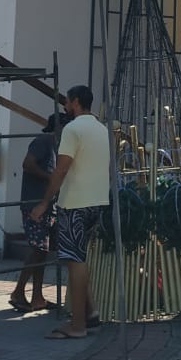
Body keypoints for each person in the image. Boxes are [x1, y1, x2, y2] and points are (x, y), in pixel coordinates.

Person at [29, 85, 109, 340]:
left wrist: (44, 203)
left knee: (75, 261)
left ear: (75, 102)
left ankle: (77, 325)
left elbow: (61, 170)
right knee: (80, 259)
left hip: (75, 202)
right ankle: (91, 313)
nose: (65, 107)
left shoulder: (72, 130)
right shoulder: (102, 129)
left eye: (67, 102)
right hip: (97, 201)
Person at [9, 112, 64, 313]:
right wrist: (50, 177)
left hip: (47, 205)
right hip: (35, 205)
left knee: (42, 251)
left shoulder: (54, 146)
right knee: (37, 249)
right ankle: (18, 292)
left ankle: (37, 296)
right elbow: (27, 164)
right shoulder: (43, 141)